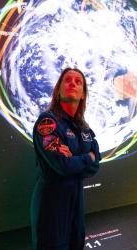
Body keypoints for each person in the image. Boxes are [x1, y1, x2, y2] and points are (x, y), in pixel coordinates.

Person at [30, 68, 101, 250]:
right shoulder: (47, 122)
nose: (73, 83)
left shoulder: (84, 128)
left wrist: (78, 159)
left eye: (78, 81)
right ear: (58, 90)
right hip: (51, 206)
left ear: (83, 94)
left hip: (76, 205)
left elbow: (96, 163)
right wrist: (87, 157)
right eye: (67, 80)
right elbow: (62, 165)